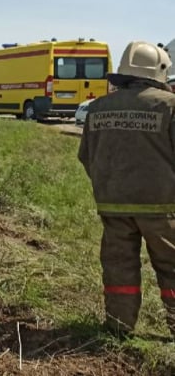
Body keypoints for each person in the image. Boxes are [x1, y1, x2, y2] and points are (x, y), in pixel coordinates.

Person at [78, 41, 175, 338]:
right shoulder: (169, 105)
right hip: (162, 205)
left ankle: (119, 328)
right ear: (159, 71)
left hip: (113, 204)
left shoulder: (97, 108)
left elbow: (86, 155)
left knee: (119, 267)